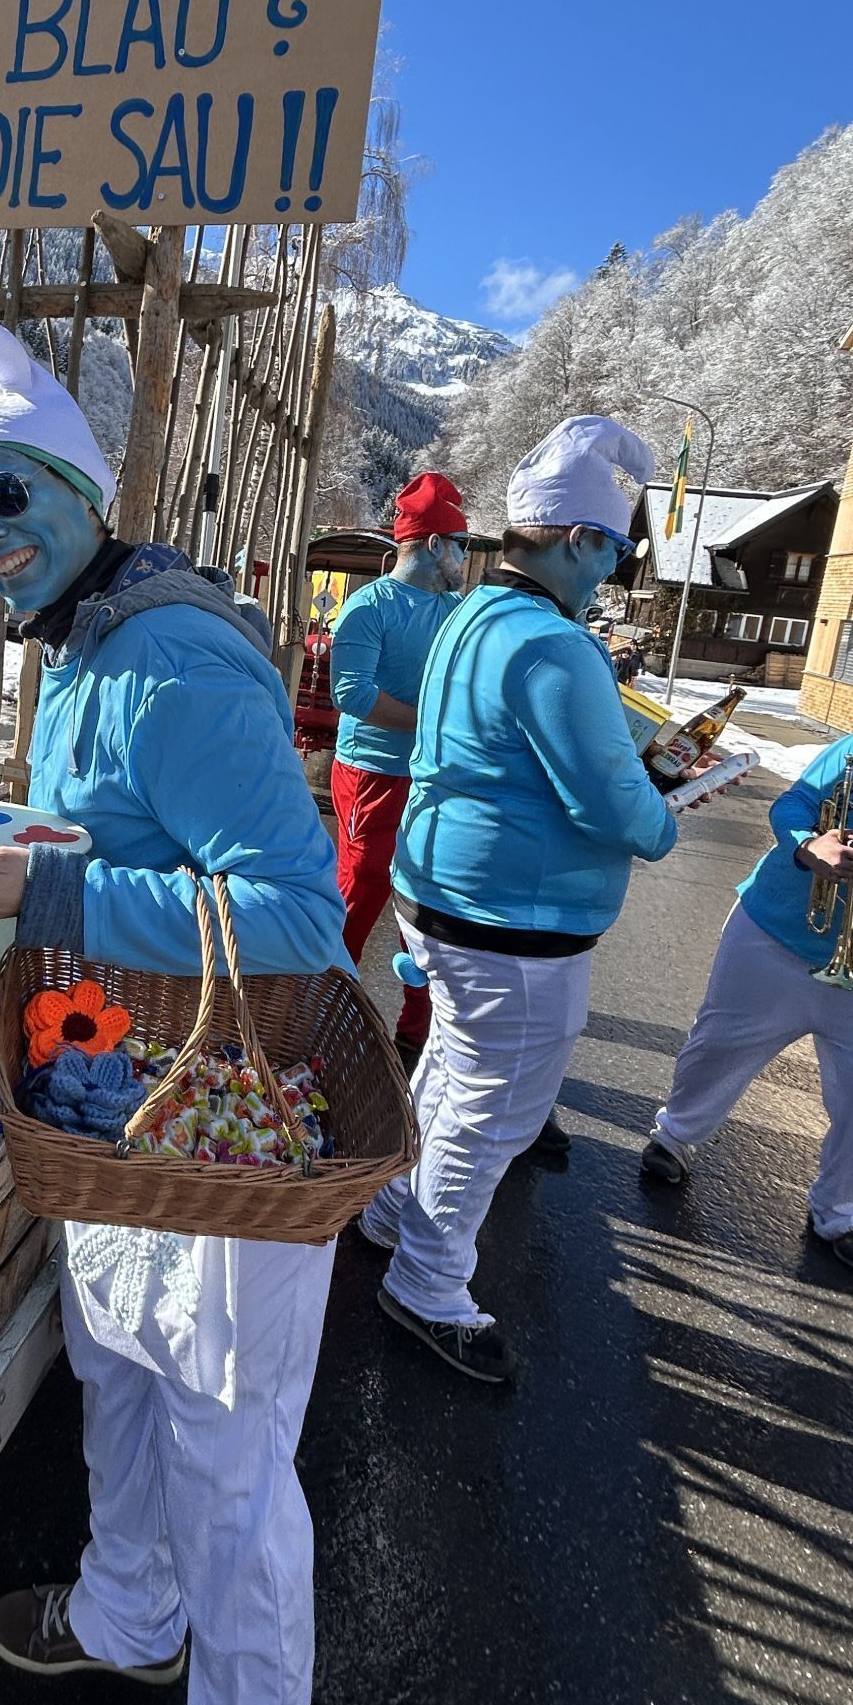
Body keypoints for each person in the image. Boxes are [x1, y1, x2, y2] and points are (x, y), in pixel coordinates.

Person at [0, 313, 350, 1705]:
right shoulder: (86, 647)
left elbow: (296, 918)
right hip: (120, 1100)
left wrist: (44, 891)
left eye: (5, 493)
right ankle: (124, 1616)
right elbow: (131, 846)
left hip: (222, 1131)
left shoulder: (170, 663)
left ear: (83, 497)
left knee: (228, 1462)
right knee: (115, 1373)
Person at [357, 416, 680, 1382]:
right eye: (615, 550)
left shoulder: (475, 617)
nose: (615, 570)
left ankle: (391, 1211)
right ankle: (427, 1280)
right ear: (579, 537)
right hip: (513, 914)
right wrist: (669, 809)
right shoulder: (557, 648)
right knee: (496, 1108)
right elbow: (614, 802)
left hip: (450, 890)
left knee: (453, 1070)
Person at [640, 725, 853, 1278]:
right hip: (775, 932)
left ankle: (843, 1211)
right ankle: (676, 1136)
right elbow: (795, 802)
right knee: (721, 1048)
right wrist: (809, 843)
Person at [327, 471, 467, 1049]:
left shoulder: (459, 609)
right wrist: (431, 718)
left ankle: (416, 1031)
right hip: (371, 773)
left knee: (426, 901)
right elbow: (351, 694)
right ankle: (318, 1013)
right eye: (459, 543)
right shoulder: (370, 606)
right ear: (433, 543)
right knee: (359, 897)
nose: (464, 555)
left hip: (434, 775)